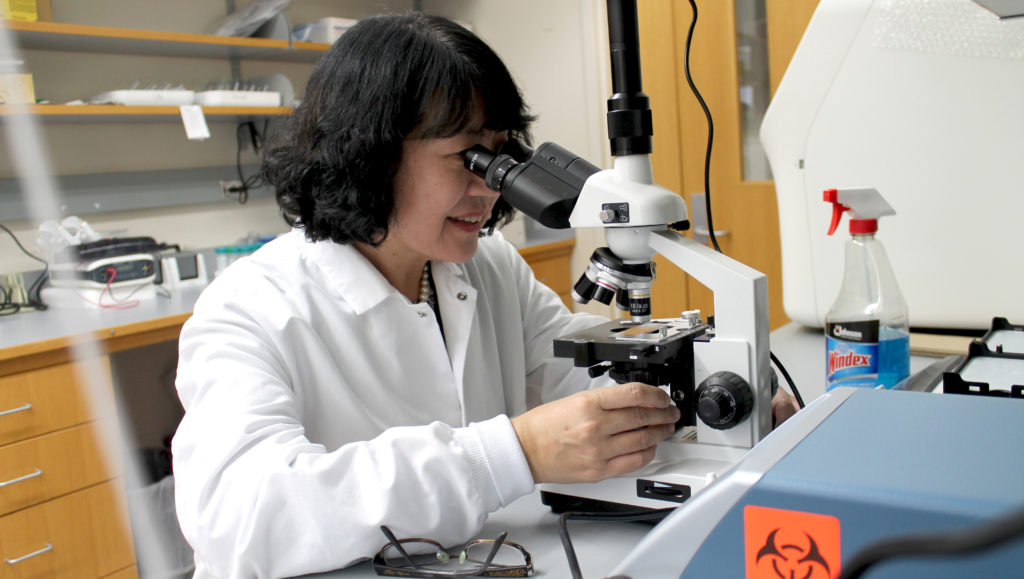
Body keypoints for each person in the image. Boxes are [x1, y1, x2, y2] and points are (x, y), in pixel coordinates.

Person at [172, 11, 796, 578]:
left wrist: (715, 404)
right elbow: (239, 518)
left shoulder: (486, 268)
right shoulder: (250, 308)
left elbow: (582, 380)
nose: (491, 189)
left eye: (499, 157)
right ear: (372, 155)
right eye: (466, 158)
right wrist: (512, 454)